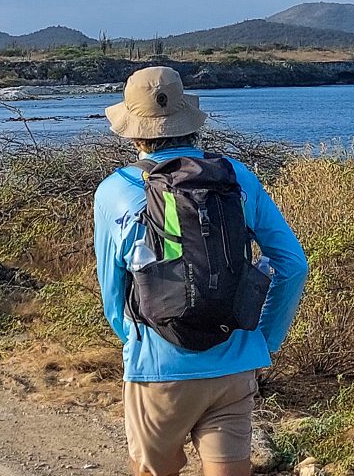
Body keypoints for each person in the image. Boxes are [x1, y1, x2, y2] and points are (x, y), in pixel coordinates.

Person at [94, 66, 308, 476]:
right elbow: (293, 264)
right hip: (234, 362)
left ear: (133, 130)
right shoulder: (237, 177)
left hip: (158, 367)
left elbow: (113, 294)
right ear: (190, 122)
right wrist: (264, 339)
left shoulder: (115, 191)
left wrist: (137, 341)